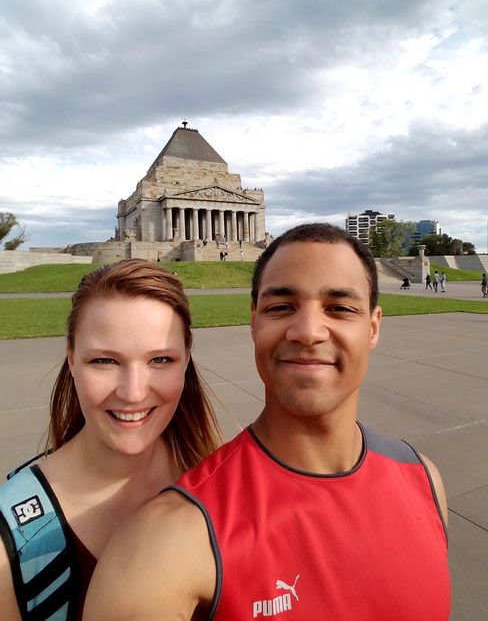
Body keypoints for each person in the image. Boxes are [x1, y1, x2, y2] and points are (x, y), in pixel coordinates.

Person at [84, 224, 450, 621]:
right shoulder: (165, 545)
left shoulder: (425, 480)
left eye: (339, 307)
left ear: (373, 327)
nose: (308, 332)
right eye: (281, 307)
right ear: (254, 322)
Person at [0, 259, 221, 621]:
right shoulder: (13, 541)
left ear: (186, 361)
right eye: (105, 361)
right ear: (71, 358)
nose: (133, 393)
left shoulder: (220, 481)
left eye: (160, 359)